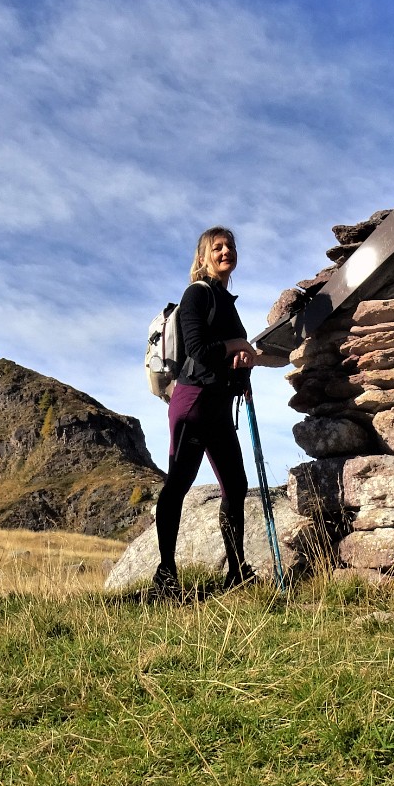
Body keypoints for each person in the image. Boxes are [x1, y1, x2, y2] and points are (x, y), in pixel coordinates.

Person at [153, 227, 258, 597]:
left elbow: (227, 355)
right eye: (217, 247)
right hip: (194, 404)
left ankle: (237, 572)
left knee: (236, 485)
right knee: (178, 485)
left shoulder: (227, 302)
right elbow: (198, 349)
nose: (226, 250)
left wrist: (242, 368)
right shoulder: (197, 294)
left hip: (217, 407)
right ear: (202, 259)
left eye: (230, 245)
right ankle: (165, 575)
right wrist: (237, 344)